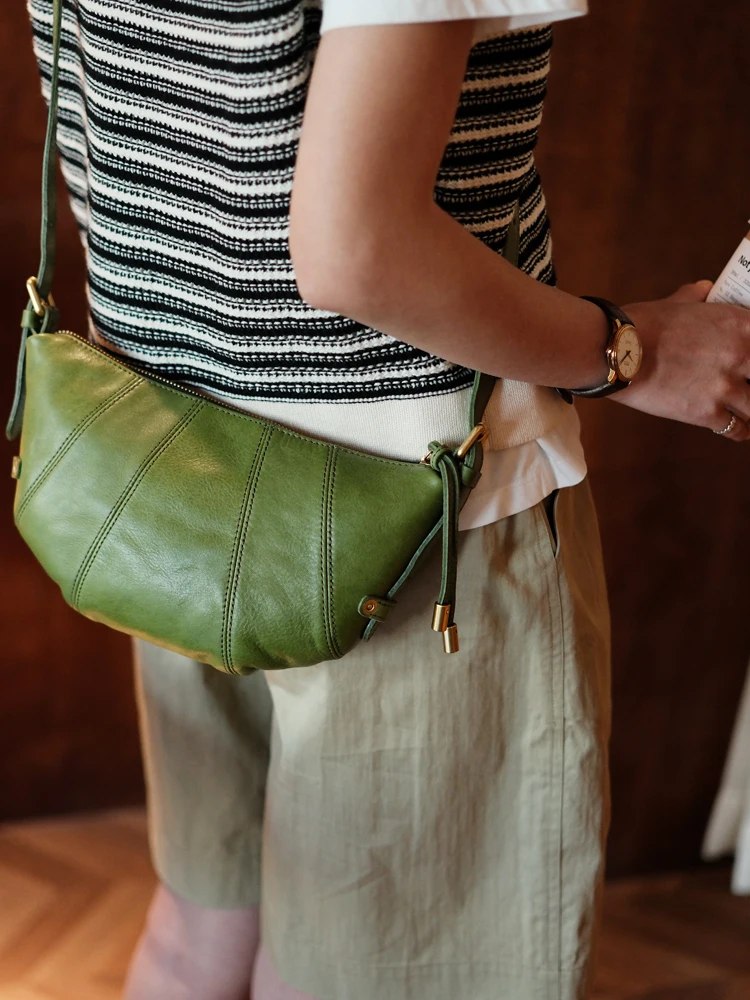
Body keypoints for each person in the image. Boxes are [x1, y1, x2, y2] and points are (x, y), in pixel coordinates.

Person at [25, 1, 750, 998]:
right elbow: (356, 250)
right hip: (412, 517)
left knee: (200, 931)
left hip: (162, 458)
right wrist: (634, 353)